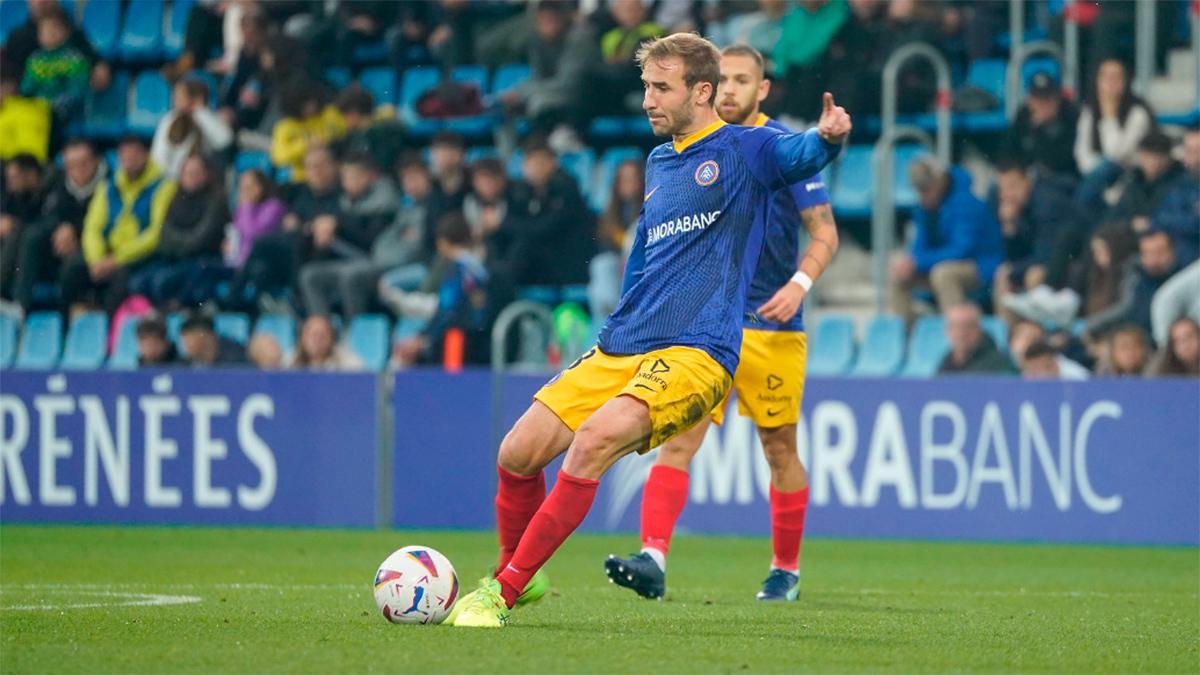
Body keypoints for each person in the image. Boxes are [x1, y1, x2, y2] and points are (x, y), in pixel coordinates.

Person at [448, 32, 849, 628]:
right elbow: (644, 259)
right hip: (623, 344)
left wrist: (828, 138)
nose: (647, 101)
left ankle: (502, 593)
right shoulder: (659, 161)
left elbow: (802, 157)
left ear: (702, 91)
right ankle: (520, 569)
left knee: (591, 446)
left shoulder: (747, 147)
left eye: (661, 88)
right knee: (517, 453)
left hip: (697, 352)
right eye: (645, 87)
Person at [602, 45, 839, 602]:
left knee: (779, 447)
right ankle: (653, 557)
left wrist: (797, 285)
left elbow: (825, 233)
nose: (730, 89)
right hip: (704, 326)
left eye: (742, 80)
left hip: (770, 324)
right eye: (723, 78)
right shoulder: (686, 152)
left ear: (762, 90)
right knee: (678, 441)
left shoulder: (778, 148)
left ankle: (785, 570)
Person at [63, 135, 177, 314]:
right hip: (107, 255)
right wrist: (96, 259)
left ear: (146, 155)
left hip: (138, 255)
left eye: (134, 155)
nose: (129, 161)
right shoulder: (109, 186)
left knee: (121, 277)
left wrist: (117, 260)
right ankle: (68, 325)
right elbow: (92, 227)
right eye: (125, 157)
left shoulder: (164, 186)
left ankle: (110, 331)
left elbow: (155, 234)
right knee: (72, 268)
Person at [890, 155, 1004, 321]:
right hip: (945, 262)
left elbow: (961, 250)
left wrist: (919, 262)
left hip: (981, 265)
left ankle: (957, 333)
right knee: (899, 273)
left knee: (943, 275)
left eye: (926, 188)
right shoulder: (924, 207)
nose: (922, 194)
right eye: (918, 189)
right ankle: (907, 336)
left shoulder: (966, 204)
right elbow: (920, 245)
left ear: (940, 182)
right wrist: (911, 262)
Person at [389, 212, 491, 367]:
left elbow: (448, 309)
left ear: (443, 242)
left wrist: (424, 338)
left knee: (452, 386)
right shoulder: (479, 267)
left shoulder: (459, 269)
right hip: (479, 340)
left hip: (456, 341)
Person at [13, 139, 104, 311]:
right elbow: (50, 213)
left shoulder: (109, 184)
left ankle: (66, 319)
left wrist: (75, 232)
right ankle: (20, 304)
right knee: (32, 235)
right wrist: (63, 227)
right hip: (61, 244)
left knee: (71, 266)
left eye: (83, 164)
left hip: (95, 247)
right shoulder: (60, 181)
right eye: (71, 166)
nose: (77, 171)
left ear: (96, 161)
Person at [128, 155, 230, 309]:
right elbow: (165, 231)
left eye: (195, 173)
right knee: (136, 282)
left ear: (206, 175)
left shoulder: (215, 202)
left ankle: (167, 316)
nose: (191, 177)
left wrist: (178, 244)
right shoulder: (175, 198)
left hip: (198, 260)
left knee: (161, 282)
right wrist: (177, 244)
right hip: (171, 258)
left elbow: (201, 238)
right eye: (187, 173)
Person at [990, 159, 1075, 321]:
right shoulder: (1014, 208)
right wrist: (1010, 226)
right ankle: (1009, 333)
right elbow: (1014, 256)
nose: (1007, 194)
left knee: (1033, 275)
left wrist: (1014, 271)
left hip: (1066, 264)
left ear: (1027, 182)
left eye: (1012, 186)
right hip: (1037, 260)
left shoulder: (1047, 203)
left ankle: (1036, 335)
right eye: (1003, 189)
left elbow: (1045, 254)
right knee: (1001, 274)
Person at [1073, 59, 1155, 217]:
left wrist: (1109, 116)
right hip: (1096, 181)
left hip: (1129, 179)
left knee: (1106, 167)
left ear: (1126, 82)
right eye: (1105, 77)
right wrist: (1095, 172)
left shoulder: (1138, 113)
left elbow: (1116, 155)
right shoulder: (1089, 111)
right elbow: (1081, 153)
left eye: (1116, 77)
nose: (1110, 83)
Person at [1084, 229, 1180, 342]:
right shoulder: (1136, 277)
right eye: (1147, 253)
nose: (1153, 259)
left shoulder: (1183, 280)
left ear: (1172, 252)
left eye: (1159, 252)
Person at [18, 9, 91, 130]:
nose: (49, 34)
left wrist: (55, 103)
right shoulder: (35, 60)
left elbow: (77, 90)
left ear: (66, 33)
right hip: (37, 110)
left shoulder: (74, 59)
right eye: (44, 31)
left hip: (64, 112)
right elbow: (26, 89)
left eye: (54, 29)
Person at [1000, 71, 1079, 178]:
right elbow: (1009, 151)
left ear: (1056, 98)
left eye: (1047, 99)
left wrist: (1041, 128)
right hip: (1027, 178)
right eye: (1038, 99)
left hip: (1062, 178)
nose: (1043, 105)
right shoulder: (1023, 115)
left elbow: (1063, 160)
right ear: (1030, 100)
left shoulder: (1070, 115)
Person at [150, 78, 233, 179]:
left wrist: (199, 110)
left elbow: (225, 140)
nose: (174, 99)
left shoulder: (207, 118)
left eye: (179, 96)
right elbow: (158, 158)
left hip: (201, 179)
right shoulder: (170, 119)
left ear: (196, 99)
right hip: (172, 179)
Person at [270, 78, 346, 183]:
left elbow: (344, 135)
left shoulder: (330, 114)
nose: (311, 108)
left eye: (312, 102)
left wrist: (329, 143)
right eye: (304, 106)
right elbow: (278, 156)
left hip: (334, 174)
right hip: (303, 179)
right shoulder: (285, 127)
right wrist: (306, 145)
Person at [0, 153, 48, 301]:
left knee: (19, 233)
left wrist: (14, 224)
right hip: (19, 254)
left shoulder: (49, 191)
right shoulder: (14, 194)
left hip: (45, 253)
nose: (10, 183)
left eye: (14, 177)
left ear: (31, 175)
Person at [1151, 130, 1199, 266]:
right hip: (1173, 252)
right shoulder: (1181, 181)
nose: (1194, 157)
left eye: (1197, 151)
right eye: (1189, 151)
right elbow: (1158, 218)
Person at [936, 303, 1015, 375]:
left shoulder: (999, 362)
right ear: (946, 331)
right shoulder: (947, 361)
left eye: (968, 326)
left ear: (979, 330)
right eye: (954, 326)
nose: (961, 333)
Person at [287, 315, 362, 370]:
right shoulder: (290, 360)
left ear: (332, 339)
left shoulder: (348, 361)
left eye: (322, 335)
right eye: (312, 335)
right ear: (302, 338)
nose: (317, 340)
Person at [180, 314, 247, 367]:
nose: (186, 344)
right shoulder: (183, 363)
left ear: (206, 336)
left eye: (190, 339)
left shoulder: (235, 359)